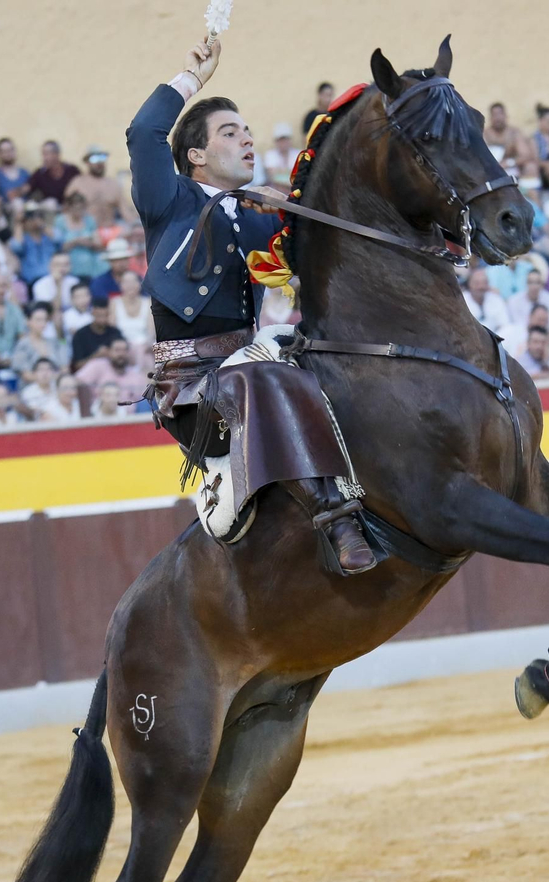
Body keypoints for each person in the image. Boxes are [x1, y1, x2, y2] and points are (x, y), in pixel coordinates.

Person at [130, 35, 375, 573]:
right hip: (195, 389)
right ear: (195, 155)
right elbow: (143, 132)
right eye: (229, 132)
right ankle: (336, 520)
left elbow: (321, 253)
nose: (247, 139)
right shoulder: (168, 199)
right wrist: (192, 79)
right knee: (265, 375)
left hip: (247, 366)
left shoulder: (261, 214)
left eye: (247, 131)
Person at [67, 146, 126, 228]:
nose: (99, 162)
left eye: (102, 158)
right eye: (94, 158)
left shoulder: (113, 185)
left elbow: (125, 212)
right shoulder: (77, 183)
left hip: (109, 232)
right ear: (87, 162)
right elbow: (67, 212)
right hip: (86, 233)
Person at [483, 103, 534, 178]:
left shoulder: (514, 133)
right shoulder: (484, 134)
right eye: (494, 115)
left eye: (500, 114)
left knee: (531, 167)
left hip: (510, 169)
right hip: (489, 170)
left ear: (505, 116)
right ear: (490, 118)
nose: (498, 118)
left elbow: (525, 155)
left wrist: (509, 163)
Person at [26, 141, 82, 205]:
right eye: (43, 154)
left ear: (56, 154)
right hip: (51, 211)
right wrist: (17, 192)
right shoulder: (41, 173)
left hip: (70, 209)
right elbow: (27, 187)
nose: (44, 158)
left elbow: (82, 189)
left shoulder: (72, 170)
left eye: (46, 154)